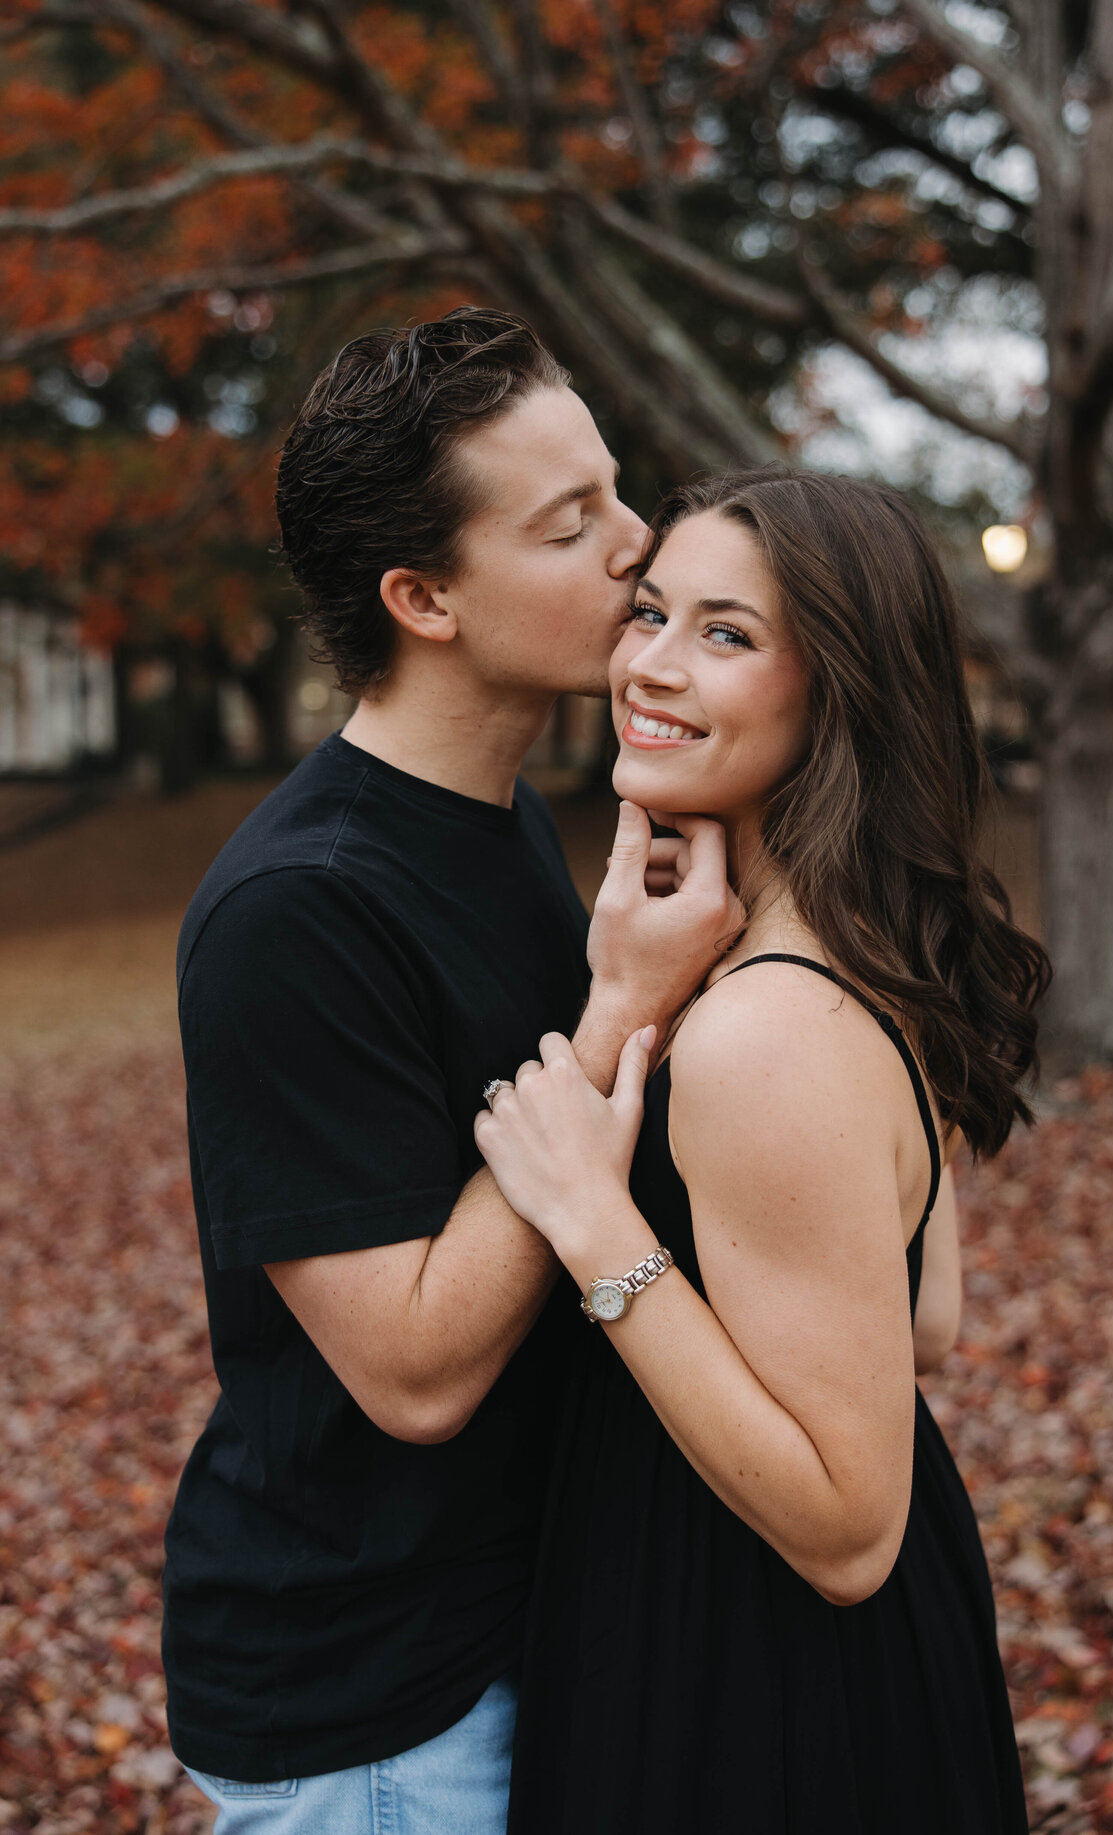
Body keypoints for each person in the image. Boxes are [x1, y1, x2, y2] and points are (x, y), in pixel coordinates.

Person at [163, 308, 741, 1834]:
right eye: (570, 524)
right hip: (376, 1713)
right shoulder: (295, 912)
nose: (637, 543)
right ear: (423, 598)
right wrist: (618, 1008)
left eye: (614, 490)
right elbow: (412, 1372)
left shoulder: (502, 815)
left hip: (521, 1630)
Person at [474, 466, 1051, 1835]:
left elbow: (850, 1533)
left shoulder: (767, 1030)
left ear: (839, 691)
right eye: (652, 612)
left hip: (750, 1671)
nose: (651, 665)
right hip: (812, 1651)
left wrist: (593, 1224)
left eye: (725, 633)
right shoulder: (860, 954)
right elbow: (924, 1320)